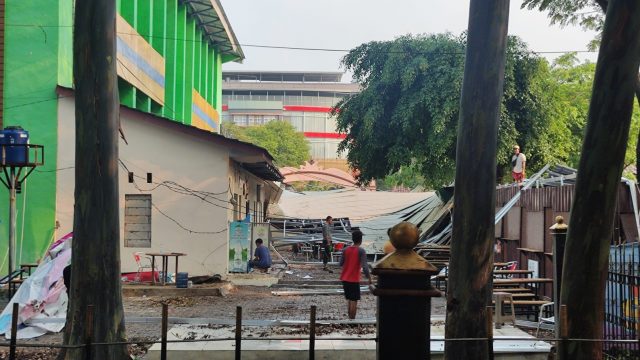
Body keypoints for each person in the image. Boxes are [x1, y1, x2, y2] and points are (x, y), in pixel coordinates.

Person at [339, 230, 372, 319]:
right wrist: (369, 278)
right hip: (354, 279)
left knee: (350, 299)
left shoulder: (345, 250)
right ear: (361, 240)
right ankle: (352, 321)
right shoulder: (361, 251)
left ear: (352, 239)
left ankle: (350, 319)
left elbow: (340, 263)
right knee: (354, 300)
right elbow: (365, 267)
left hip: (345, 278)